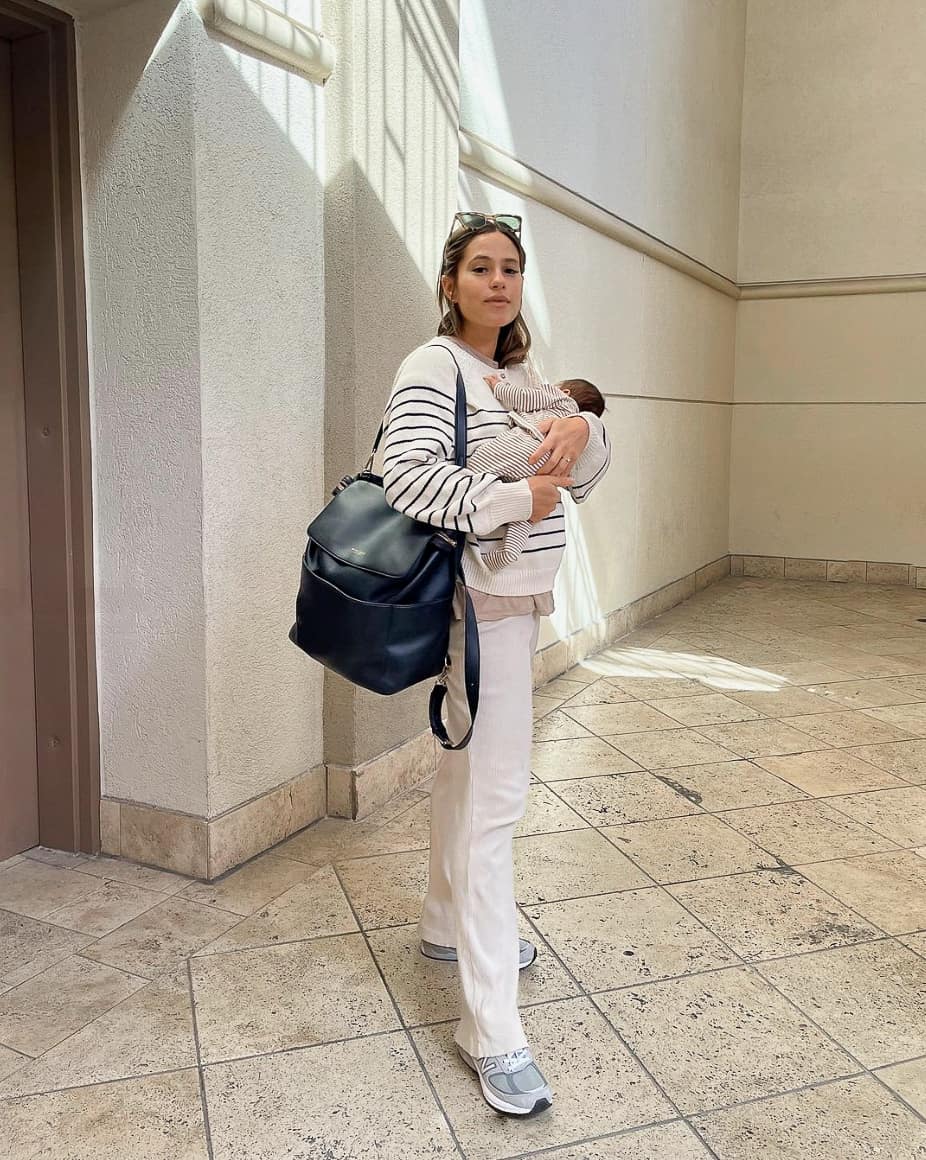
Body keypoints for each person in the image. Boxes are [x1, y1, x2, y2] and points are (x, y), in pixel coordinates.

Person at [380, 211, 611, 1117]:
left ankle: (446, 924)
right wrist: (531, 488)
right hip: (477, 611)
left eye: (510, 268)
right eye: (480, 267)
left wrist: (583, 426)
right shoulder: (434, 367)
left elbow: (589, 472)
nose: (498, 282)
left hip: (512, 605)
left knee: (462, 775)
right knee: (497, 804)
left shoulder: (519, 378)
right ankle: (491, 1029)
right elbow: (407, 476)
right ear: (450, 284)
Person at [467, 373, 606, 569]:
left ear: (566, 392)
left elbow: (525, 397)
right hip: (544, 474)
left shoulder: (561, 400)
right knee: (526, 511)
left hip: (527, 447)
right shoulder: (575, 442)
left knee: (473, 470)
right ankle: (507, 554)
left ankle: (463, 506)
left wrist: (499, 386)